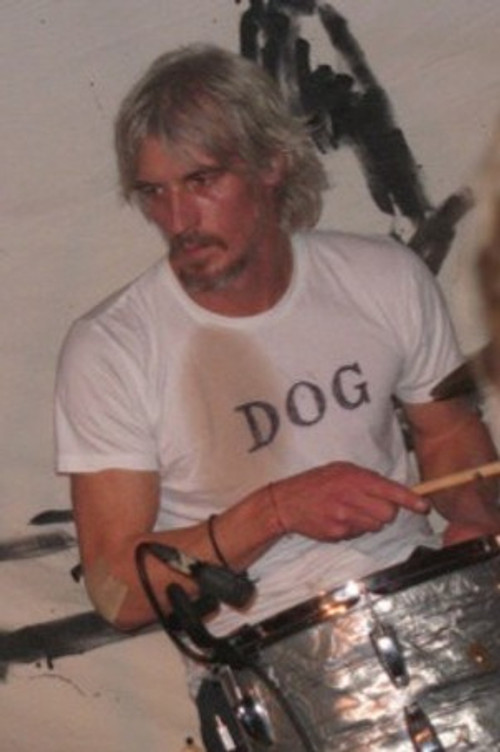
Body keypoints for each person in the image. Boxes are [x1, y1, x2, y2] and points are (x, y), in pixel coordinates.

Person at [55, 42, 500, 733]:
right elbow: (119, 592)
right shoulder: (112, 348)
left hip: (418, 595)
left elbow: (448, 439)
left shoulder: (384, 279)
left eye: (201, 181)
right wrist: (276, 510)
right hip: (262, 655)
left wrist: (476, 525)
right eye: (153, 192)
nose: (177, 219)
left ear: (272, 163)